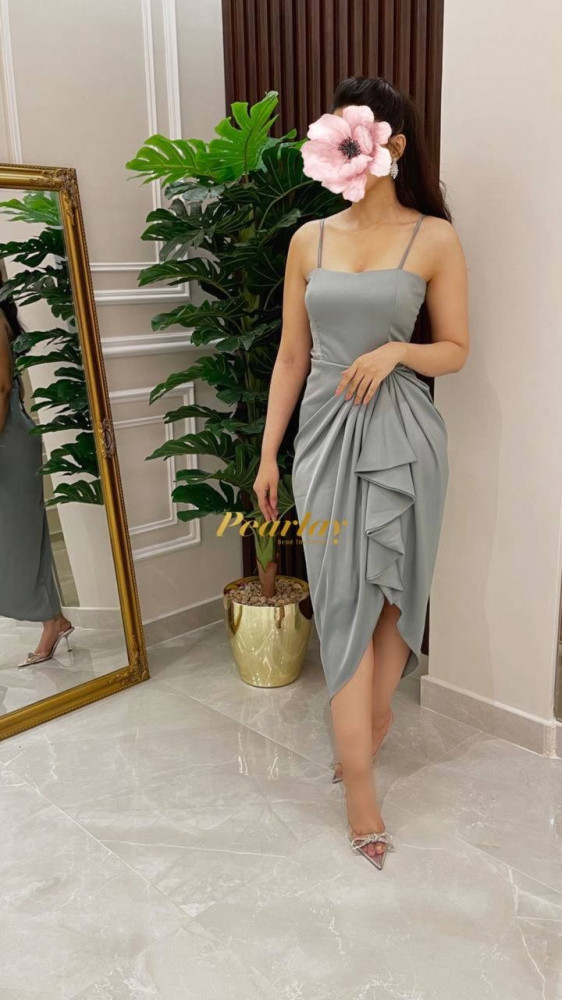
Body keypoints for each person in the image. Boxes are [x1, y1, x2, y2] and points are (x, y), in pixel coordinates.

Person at [253, 76, 469, 870]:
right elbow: (292, 356)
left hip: (407, 438)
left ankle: (369, 729)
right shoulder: (308, 240)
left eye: (362, 133)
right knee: (344, 602)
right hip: (325, 438)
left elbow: (456, 349)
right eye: (337, 133)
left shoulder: (434, 238)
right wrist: (269, 452)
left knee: (393, 599)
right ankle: (361, 791)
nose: (347, 147)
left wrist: (397, 351)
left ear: (394, 145)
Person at [0, 278, 74, 666]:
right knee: (24, 535)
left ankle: (52, 620)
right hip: (10, 435)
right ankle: (54, 620)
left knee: (19, 538)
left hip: (6, 441)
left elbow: (2, 388)